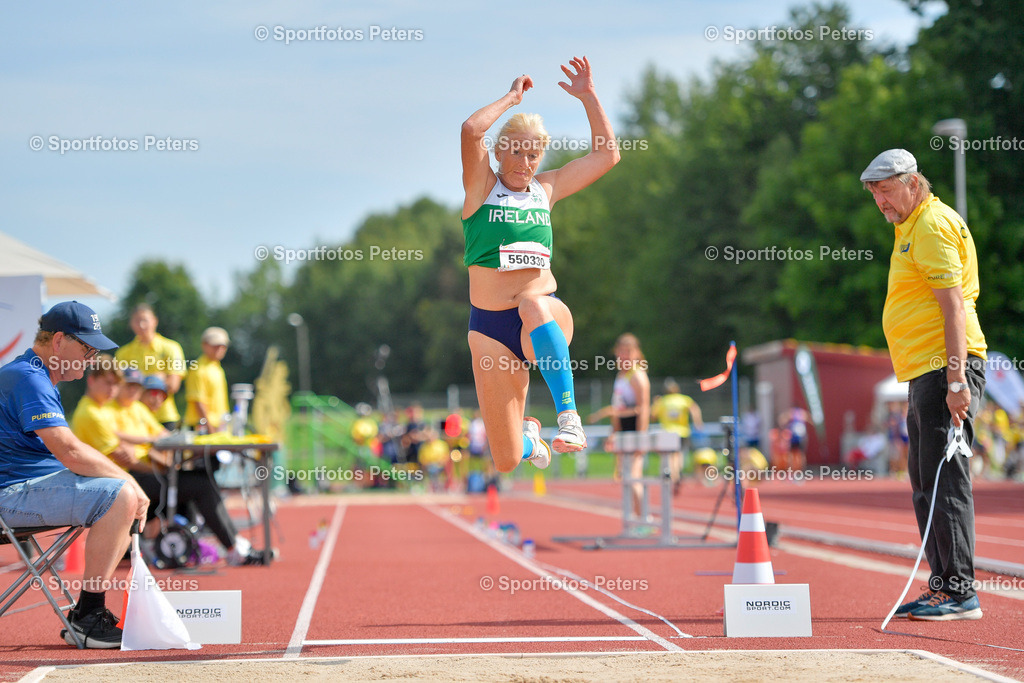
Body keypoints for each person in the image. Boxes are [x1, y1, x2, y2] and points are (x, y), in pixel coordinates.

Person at [461, 56, 620, 473]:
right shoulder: (482, 187)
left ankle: (569, 418)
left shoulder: (546, 189)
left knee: (532, 303)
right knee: (507, 459)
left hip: (544, 315)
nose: (525, 163)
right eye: (516, 152)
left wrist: (588, 97)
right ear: (499, 151)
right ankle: (532, 439)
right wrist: (512, 98)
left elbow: (607, 157)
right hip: (491, 331)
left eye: (533, 155)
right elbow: (471, 130)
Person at [861, 148, 987, 621]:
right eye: (875, 195)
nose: (881, 204)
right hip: (925, 370)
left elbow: (953, 307)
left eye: (887, 192)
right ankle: (944, 586)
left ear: (914, 183)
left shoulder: (930, 225)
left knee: (943, 480)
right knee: (924, 481)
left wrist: (957, 379)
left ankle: (959, 591)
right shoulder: (909, 226)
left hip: (943, 368)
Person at [0, 302, 148, 648]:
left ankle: (87, 612)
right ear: (59, 341)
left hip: (24, 487)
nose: (93, 357)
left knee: (122, 497)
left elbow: (69, 452)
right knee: (122, 496)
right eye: (87, 347)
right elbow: (70, 452)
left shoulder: (32, 374)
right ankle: (88, 617)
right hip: (10, 494)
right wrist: (131, 482)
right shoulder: (28, 377)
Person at [73, 364, 271, 566]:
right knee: (199, 485)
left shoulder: (136, 408)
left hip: (140, 474)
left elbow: (161, 438)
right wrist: (155, 457)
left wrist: (155, 448)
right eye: (124, 385)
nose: (128, 390)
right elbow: (126, 455)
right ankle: (232, 548)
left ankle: (231, 544)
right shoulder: (103, 411)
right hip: (128, 479)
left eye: (134, 386)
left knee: (201, 480)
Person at [114, 304, 187, 430]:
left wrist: (137, 385)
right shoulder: (122, 353)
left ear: (155, 321)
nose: (141, 325)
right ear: (131, 324)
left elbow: (173, 385)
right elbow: (118, 387)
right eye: (137, 321)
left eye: (145, 320)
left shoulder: (172, 348)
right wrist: (157, 379)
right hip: (134, 417)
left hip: (164, 417)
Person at [606, 334, 650, 520]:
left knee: (633, 476)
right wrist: (613, 433)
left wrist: (641, 438)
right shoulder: (620, 375)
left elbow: (644, 409)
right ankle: (634, 516)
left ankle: (644, 518)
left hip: (634, 432)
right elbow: (617, 409)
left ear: (636, 353)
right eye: (621, 352)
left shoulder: (637, 376)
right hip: (622, 433)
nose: (624, 356)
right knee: (626, 477)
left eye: (628, 352)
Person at [651, 378, 703, 495]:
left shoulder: (662, 401)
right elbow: (695, 409)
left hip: (667, 432)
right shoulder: (684, 399)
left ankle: (672, 476)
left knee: (669, 456)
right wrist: (698, 422)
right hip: (682, 432)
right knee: (679, 455)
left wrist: (655, 403)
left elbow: (653, 416)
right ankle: (677, 474)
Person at [184, 327, 230, 433]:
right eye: (215, 346)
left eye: (223, 346)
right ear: (204, 345)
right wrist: (210, 429)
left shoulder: (217, 368)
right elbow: (198, 401)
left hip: (218, 425)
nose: (219, 349)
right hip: (203, 427)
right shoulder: (198, 369)